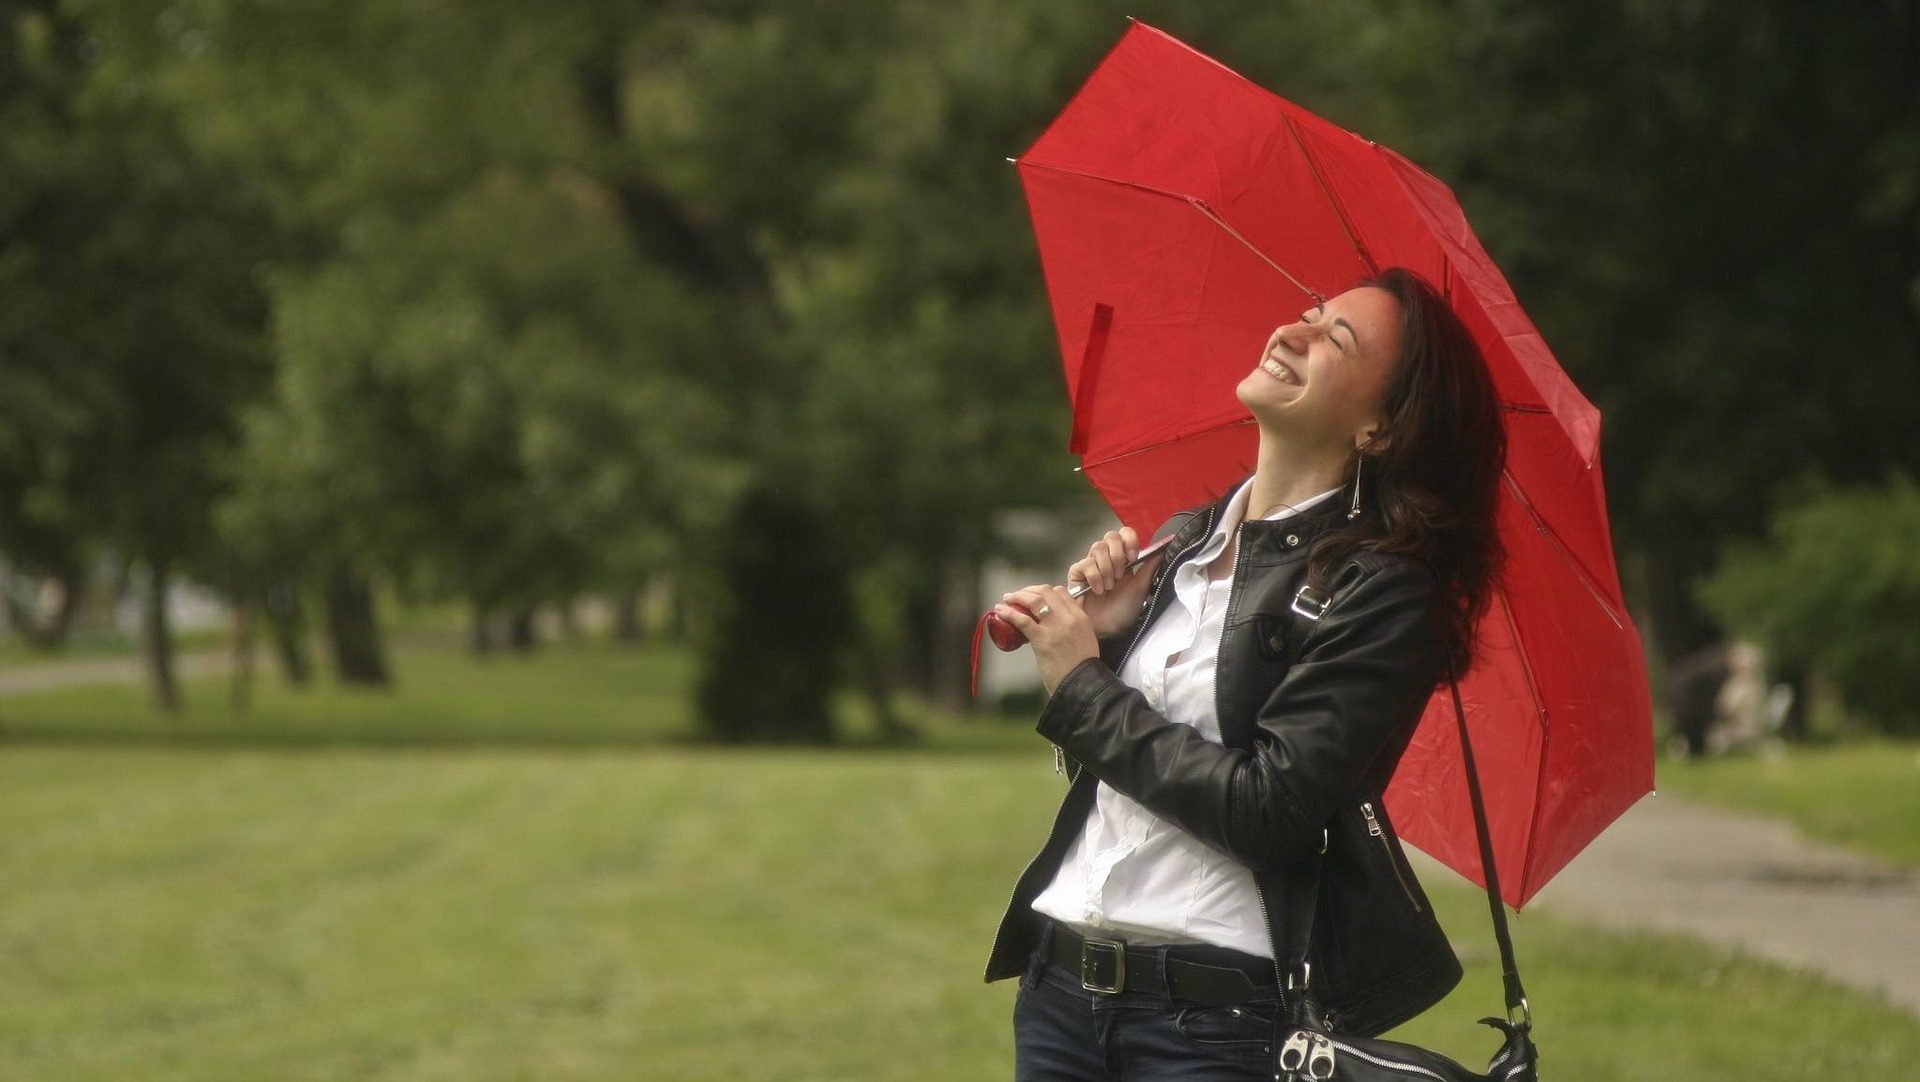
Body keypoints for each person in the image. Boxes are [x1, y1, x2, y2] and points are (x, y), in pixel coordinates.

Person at [985, 267, 1508, 1081]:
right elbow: (1142, 768)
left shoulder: (1383, 592)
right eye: (1310, 312)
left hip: (1209, 1025)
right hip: (1060, 991)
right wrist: (1112, 639)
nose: (1294, 331)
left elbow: (1270, 808)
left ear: (1379, 427)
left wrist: (1085, 686)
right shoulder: (1184, 545)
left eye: (1336, 339)